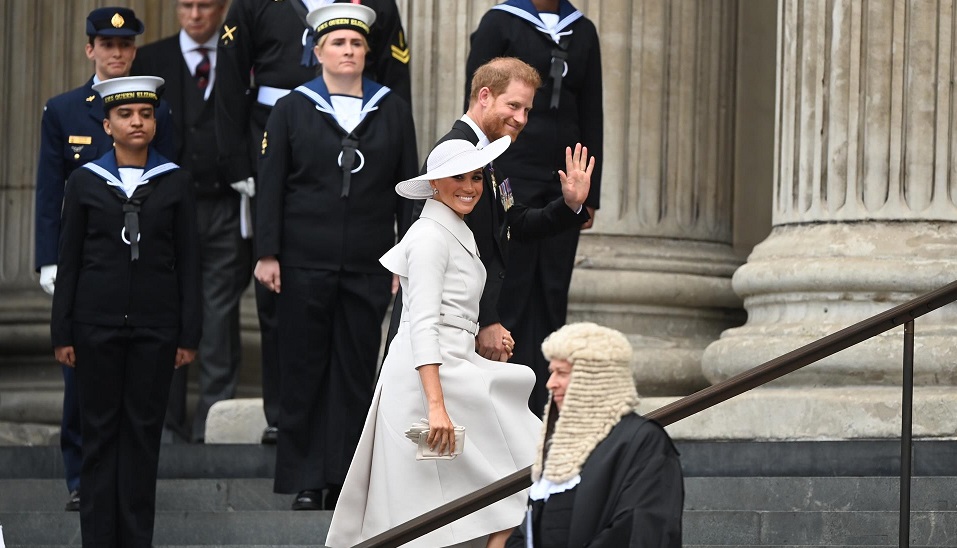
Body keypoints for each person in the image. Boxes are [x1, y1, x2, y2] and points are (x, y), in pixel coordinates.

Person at [328, 137, 555, 548]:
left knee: (522, 456)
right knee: (416, 508)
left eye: (476, 178)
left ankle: (497, 542)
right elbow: (423, 324)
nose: (469, 187)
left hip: (452, 367)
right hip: (424, 381)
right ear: (434, 184)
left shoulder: (453, 229)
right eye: (457, 178)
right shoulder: (430, 236)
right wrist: (435, 405)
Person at [216, 0, 413, 445]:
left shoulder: (378, 6)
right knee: (279, 303)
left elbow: (395, 74)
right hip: (270, 136)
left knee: (350, 336)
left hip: (361, 140)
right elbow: (231, 76)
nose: (347, 47)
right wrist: (234, 161)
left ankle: (343, 438)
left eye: (353, 42)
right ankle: (283, 413)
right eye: (338, 42)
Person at [33, 6, 175, 510]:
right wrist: (48, 261)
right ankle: (80, 478)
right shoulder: (64, 109)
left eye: (126, 45)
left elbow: (169, 185)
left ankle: (125, 482)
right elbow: (50, 192)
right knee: (82, 385)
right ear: (90, 48)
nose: (117, 53)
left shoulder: (158, 110)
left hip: (140, 276)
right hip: (86, 269)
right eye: (106, 45)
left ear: (135, 49)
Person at [50, 75, 202, 548]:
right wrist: (63, 332)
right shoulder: (84, 181)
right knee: (98, 436)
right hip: (95, 328)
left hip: (155, 330)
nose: (137, 122)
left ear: (155, 122)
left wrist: (187, 334)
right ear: (107, 124)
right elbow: (70, 259)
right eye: (125, 115)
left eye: (145, 114)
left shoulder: (175, 181)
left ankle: (136, 540)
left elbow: (190, 263)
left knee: (141, 437)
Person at [385, 57, 592, 371]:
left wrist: (569, 205)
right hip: (437, 331)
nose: (521, 118)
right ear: (484, 96)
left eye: (527, 110)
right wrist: (488, 319)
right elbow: (448, 251)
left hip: (460, 327)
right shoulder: (455, 152)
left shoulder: (492, 154)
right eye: (513, 105)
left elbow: (515, 222)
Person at [467, 0, 604, 412]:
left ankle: (546, 400)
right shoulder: (499, 22)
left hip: (564, 179)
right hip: (512, 174)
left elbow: (592, 109)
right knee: (513, 287)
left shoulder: (582, 31)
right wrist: (485, 171)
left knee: (552, 289)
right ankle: (503, 397)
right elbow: (481, 104)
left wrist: (587, 197)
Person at [132, 0, 252, 443]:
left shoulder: (242, 54)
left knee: (219, 314)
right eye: (187, 5)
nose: (196, 14)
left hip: (224, 203)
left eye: (206, 5)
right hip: (166, 205)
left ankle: (214, 424)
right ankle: (165, 426)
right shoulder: (151, 59)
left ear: (222, 9)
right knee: (166, 309)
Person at [506, 323, 684, 548]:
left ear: (595, 378)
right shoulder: (561, 446)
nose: (551, 384)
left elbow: (639, 531)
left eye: (562, 373)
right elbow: (530, 529)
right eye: (552, 372)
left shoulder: (643, 442)